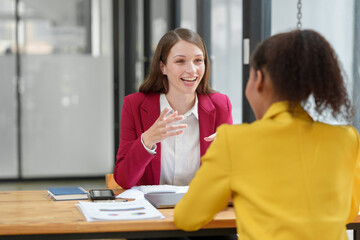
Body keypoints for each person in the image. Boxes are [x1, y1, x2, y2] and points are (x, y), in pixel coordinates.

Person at [174, 29, 360, 240]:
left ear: (259, 79)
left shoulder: (234, 141)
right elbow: (348, 211)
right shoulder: (347, 138)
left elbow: (187, 216)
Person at [114, 28, 233, 189]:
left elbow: (231, 181)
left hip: (201, 208)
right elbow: (124, 179)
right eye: (180, 61)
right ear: (163, 67)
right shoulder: (134, 105)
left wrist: (232, 151)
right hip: (152, 211)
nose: (191, 70)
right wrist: (147, 140)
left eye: (198, 60)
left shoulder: (220, 106)